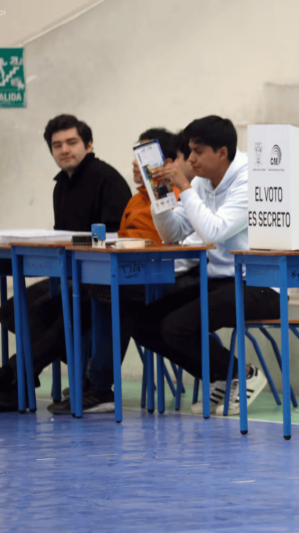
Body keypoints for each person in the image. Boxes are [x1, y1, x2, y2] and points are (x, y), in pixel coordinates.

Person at [0, 114, 132, 412]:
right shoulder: (61, 185)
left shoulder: (107, 179)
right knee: (11, 311)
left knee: (53, 315)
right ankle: (25, 379)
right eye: (57, 145)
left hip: (103, 281)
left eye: (71, 142)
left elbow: (116, 236)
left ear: (89, 144)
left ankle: (15, 380)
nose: (64, 150)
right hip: (70, 275)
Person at [124, 116, 279, 416]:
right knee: (144, 324)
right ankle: (223, 375)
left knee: (177, 326)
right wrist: (161, 195)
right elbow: (173, 233)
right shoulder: (202, 182)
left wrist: (185, 187)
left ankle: (241, 374)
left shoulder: (249, 178)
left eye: (198, 151)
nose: (191, 159)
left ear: (222, 152)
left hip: (259, 283)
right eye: (189, 151)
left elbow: (214, 231)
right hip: (221, 280)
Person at [47, 127, 184, 415]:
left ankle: (99, 386)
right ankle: (89, 381)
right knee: (88, 291)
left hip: (162, 279)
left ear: (168, 162)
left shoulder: (173, 195)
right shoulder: (135, 200)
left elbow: (171, 240)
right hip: (130, 274)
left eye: (144, 156)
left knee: (112, 295)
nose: (136, 163)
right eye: (136, 155)